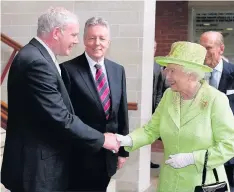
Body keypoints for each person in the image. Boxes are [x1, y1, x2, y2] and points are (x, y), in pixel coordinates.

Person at [1, 8, 119, 192]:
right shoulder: (36, 62)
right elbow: (60, 117)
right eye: (73, 34)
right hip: (37, 168)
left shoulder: (37, 55)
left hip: (36, 163)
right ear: (57, 33)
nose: (75, 40)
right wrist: (102, 139)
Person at [116, 41, 234, 192]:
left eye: (172, 70)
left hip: (203, 183)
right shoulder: (169, 96)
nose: (166, 74)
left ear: (191, 75)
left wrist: (192, 158)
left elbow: (229, 145)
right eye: (167, 69)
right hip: (170, 182)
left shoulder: (215, 100)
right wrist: (127, 140)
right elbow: (151, 130)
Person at [60, 17, 129, 191]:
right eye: (92, 38)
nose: (97, 43)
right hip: (80, 158)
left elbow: (122, 112)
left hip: (108, 157)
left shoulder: (117, 70)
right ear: (84, 40)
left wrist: (123, 151)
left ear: (109, 42)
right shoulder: (67, 70)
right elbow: (67, 117)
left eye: (102, 38)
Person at [200, 31, 234, 189]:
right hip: (201, 147)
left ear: (221, 48)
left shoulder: (232, 73)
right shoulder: (195, 75)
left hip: (228, 149)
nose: (204, 53)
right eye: (201, 48)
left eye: (208, 48)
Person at [151, 40, 165, 169]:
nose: (153, 49)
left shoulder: (158, 66)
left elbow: (159, 89)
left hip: (153, 105)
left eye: (155, 47)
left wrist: (157, 107)